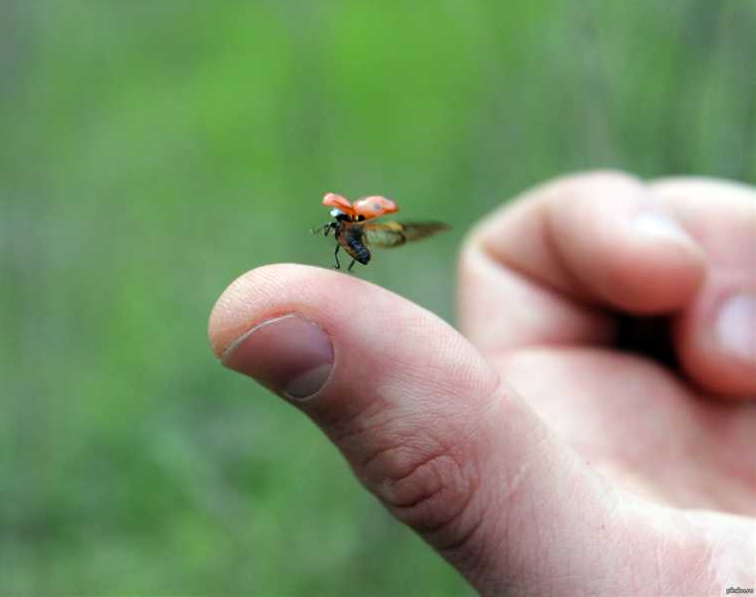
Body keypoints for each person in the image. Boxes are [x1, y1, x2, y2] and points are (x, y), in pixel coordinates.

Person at [208, 172, 755, 595]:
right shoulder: (351, 222)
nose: (336, 223)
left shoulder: (356, 221)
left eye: (337, 221)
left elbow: (372, 223)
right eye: (338, 223)